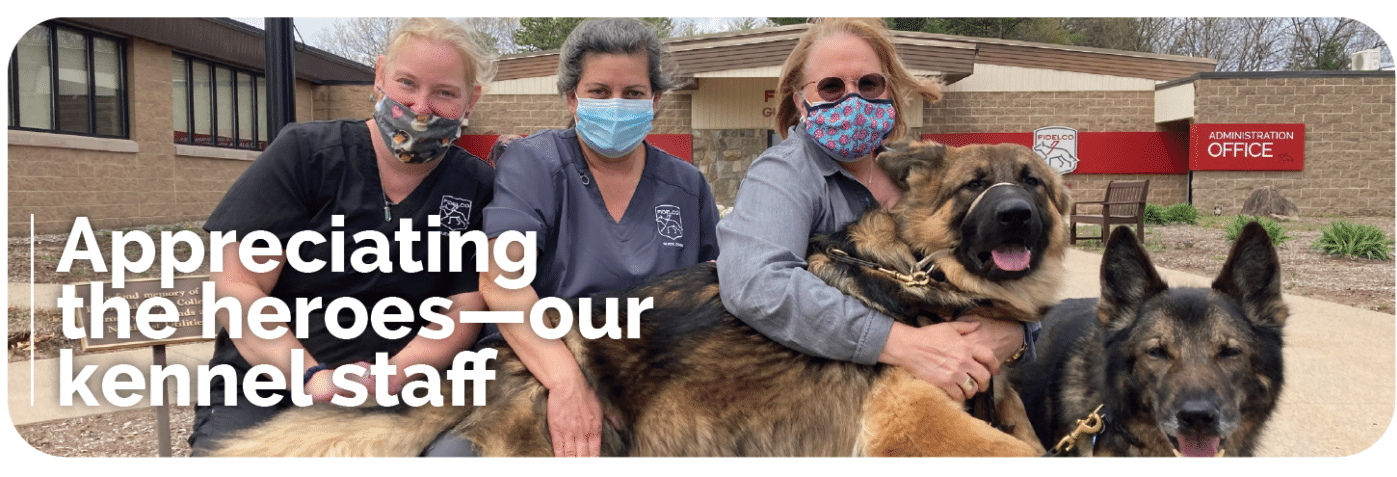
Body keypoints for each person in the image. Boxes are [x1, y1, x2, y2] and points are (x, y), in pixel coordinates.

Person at [188, 17, 497, 456]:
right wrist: (311, 377)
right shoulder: (304, 155)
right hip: (270, 386)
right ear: (379, 76)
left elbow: (464, 307)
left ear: (471, 99)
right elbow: (238, 287)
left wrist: (390, 376)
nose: (421, 107)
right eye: (406, 83)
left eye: (444, 92)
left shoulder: (476, 186)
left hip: (407, 393)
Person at [716, 18, 1033, 405]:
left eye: (869, 84)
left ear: (890, 91)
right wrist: (902, 344)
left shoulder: (915, 172)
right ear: (801, 101)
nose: (853, 99)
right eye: (832, 87)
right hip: (835, 399)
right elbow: (757, 284)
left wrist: (1016, 333)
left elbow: (994, 261)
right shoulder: (785, 172)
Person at [479, 18, 720, 458]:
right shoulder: (534, 165)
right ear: (572, 98)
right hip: (537, 367)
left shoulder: (686, 186)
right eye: (598, 91)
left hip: (654, 378)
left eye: (632, 93)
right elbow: (501, 281)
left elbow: (709, 287)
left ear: (656, 99)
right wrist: (567, 383)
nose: (616, 105)